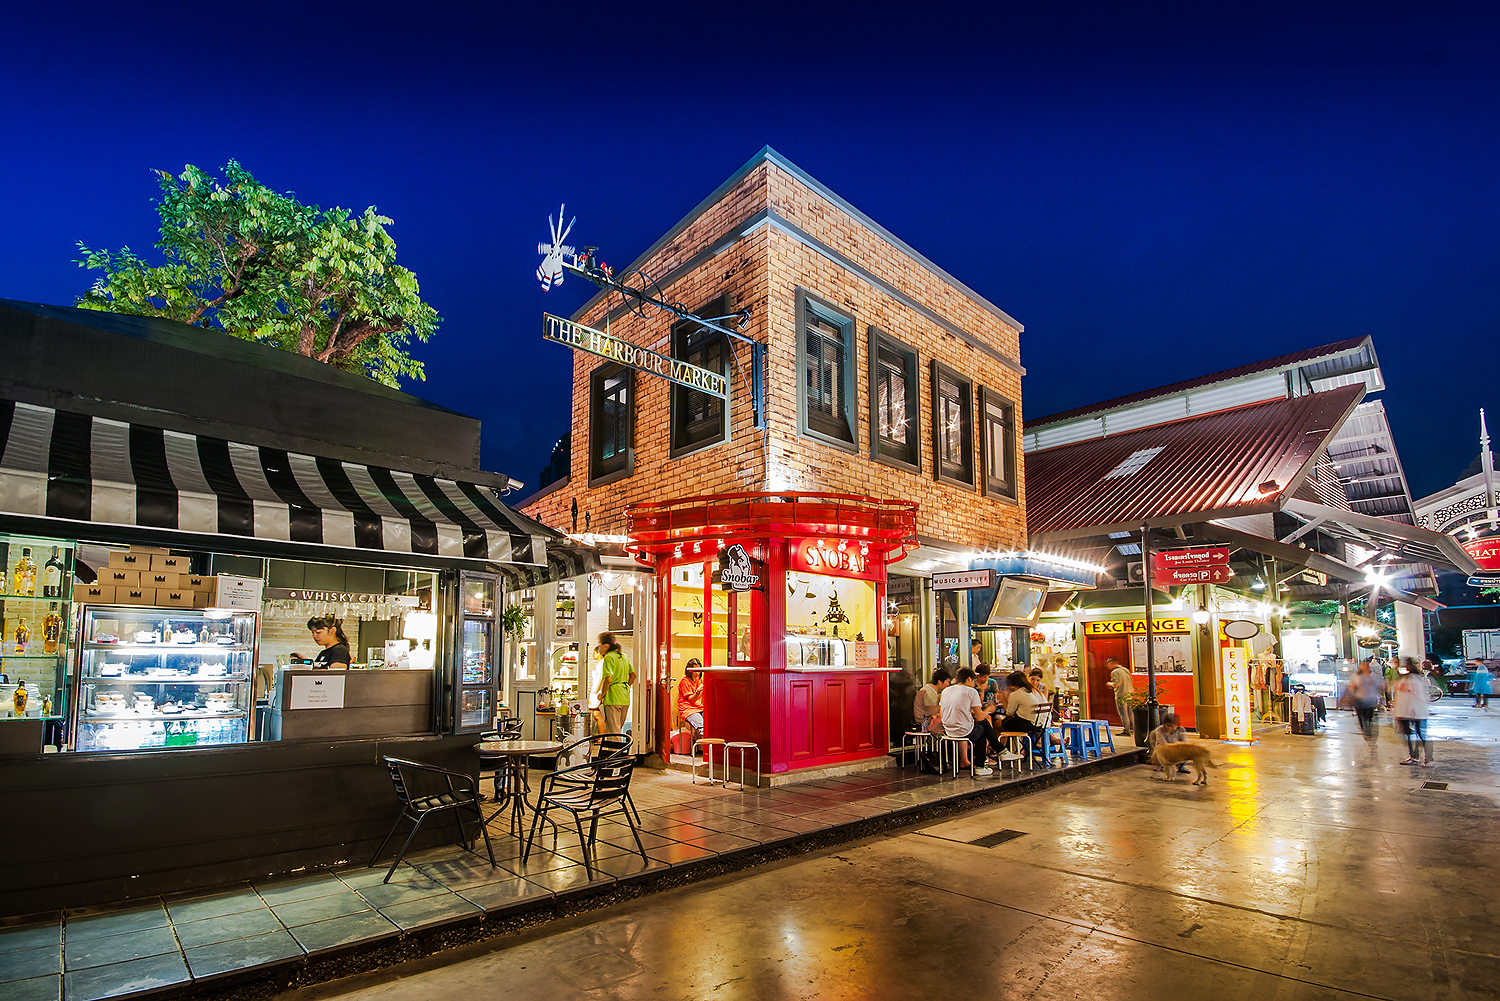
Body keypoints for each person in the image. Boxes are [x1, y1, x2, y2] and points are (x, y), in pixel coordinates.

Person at [939, 667, 1001, 775]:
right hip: (963, 730)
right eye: (974, 681)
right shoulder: (971, 691)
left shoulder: (946, 690)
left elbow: (942, 711)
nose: (975, 684)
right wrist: (989, 710)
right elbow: (980, 716)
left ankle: (1000, 750)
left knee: (982, 726)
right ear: (969, 679)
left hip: (948, 730)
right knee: (983, 728)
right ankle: (982, 765)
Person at [1392, 661, 1433, 767]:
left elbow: (1417, 694)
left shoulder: (1415, 679)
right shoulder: (1411, 679)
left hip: (1415, 710)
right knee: (1413, 734)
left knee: (1420, 734)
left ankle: (1426, 759)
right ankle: (1415, 757)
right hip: (1409, 711)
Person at [595, 632, 635, 735]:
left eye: (600, 644)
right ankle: (618, 750)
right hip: (625, 697)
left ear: (606, 646)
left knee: (613, 732)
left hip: (613, 697)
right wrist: (626, 686)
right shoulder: (624, 656)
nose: (599, 647)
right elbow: (633, 675)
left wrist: (602, 695)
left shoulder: (609, 657)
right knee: (618, 729)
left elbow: (608, 679)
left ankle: (615, 751)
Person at [913, 669, 952, 773]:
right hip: (925, 721)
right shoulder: (928, 692)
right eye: (947, 682)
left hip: (929, 719)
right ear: (940, 681)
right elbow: (932, 710)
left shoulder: (931, 691)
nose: (948, 685)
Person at [1347, 659, 1384, 755]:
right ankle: (1368, 738)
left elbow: (1379, 686)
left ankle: (1370, 738)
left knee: (1369, 720)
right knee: (1363, 721)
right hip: (1359, 701)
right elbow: (1352, 687)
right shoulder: (1357, 676)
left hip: (1370, 701)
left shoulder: (1373, 676)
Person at [678, 660, 705, 741]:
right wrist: (698, 691)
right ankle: (708, 747)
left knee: (711, 723)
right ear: (689, 671)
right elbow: (691, 700)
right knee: (702, 726)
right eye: (694, 671)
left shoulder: (699, 680)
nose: (697, 673)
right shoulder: (685, 682)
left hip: (699, 707)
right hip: (688, 709)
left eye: (699, 670)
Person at [1107, 657, 1134, 735]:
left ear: (1111, 663)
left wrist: (1109, 684)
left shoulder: (1116, 672)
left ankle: (1126, 730)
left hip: (1121, 694)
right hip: (1129, 694)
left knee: (1123, 713)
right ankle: (1133, 728)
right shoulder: (1125, 670)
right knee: (1130, 713)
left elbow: (1116, 684)